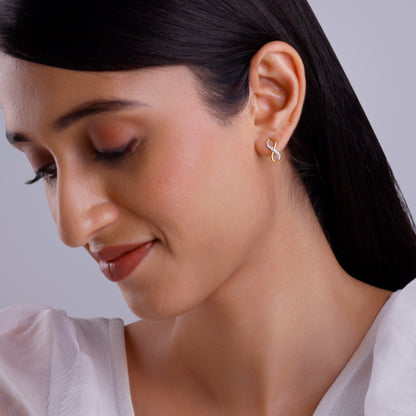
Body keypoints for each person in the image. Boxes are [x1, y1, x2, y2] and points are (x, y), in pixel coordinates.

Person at [0, 0, 415, 415]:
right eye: (45, 169)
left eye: (114, 147)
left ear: (271, 98)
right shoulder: (27, 390)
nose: (73, 227)